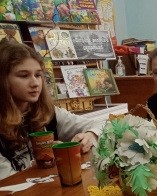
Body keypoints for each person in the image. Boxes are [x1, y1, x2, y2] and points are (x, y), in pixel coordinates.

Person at [0, 39, 101, 180]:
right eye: (24, 75)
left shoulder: (46, 112)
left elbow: (100, 124)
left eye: (38, 75)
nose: (35, 83)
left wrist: (91, 135)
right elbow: (7, 183)